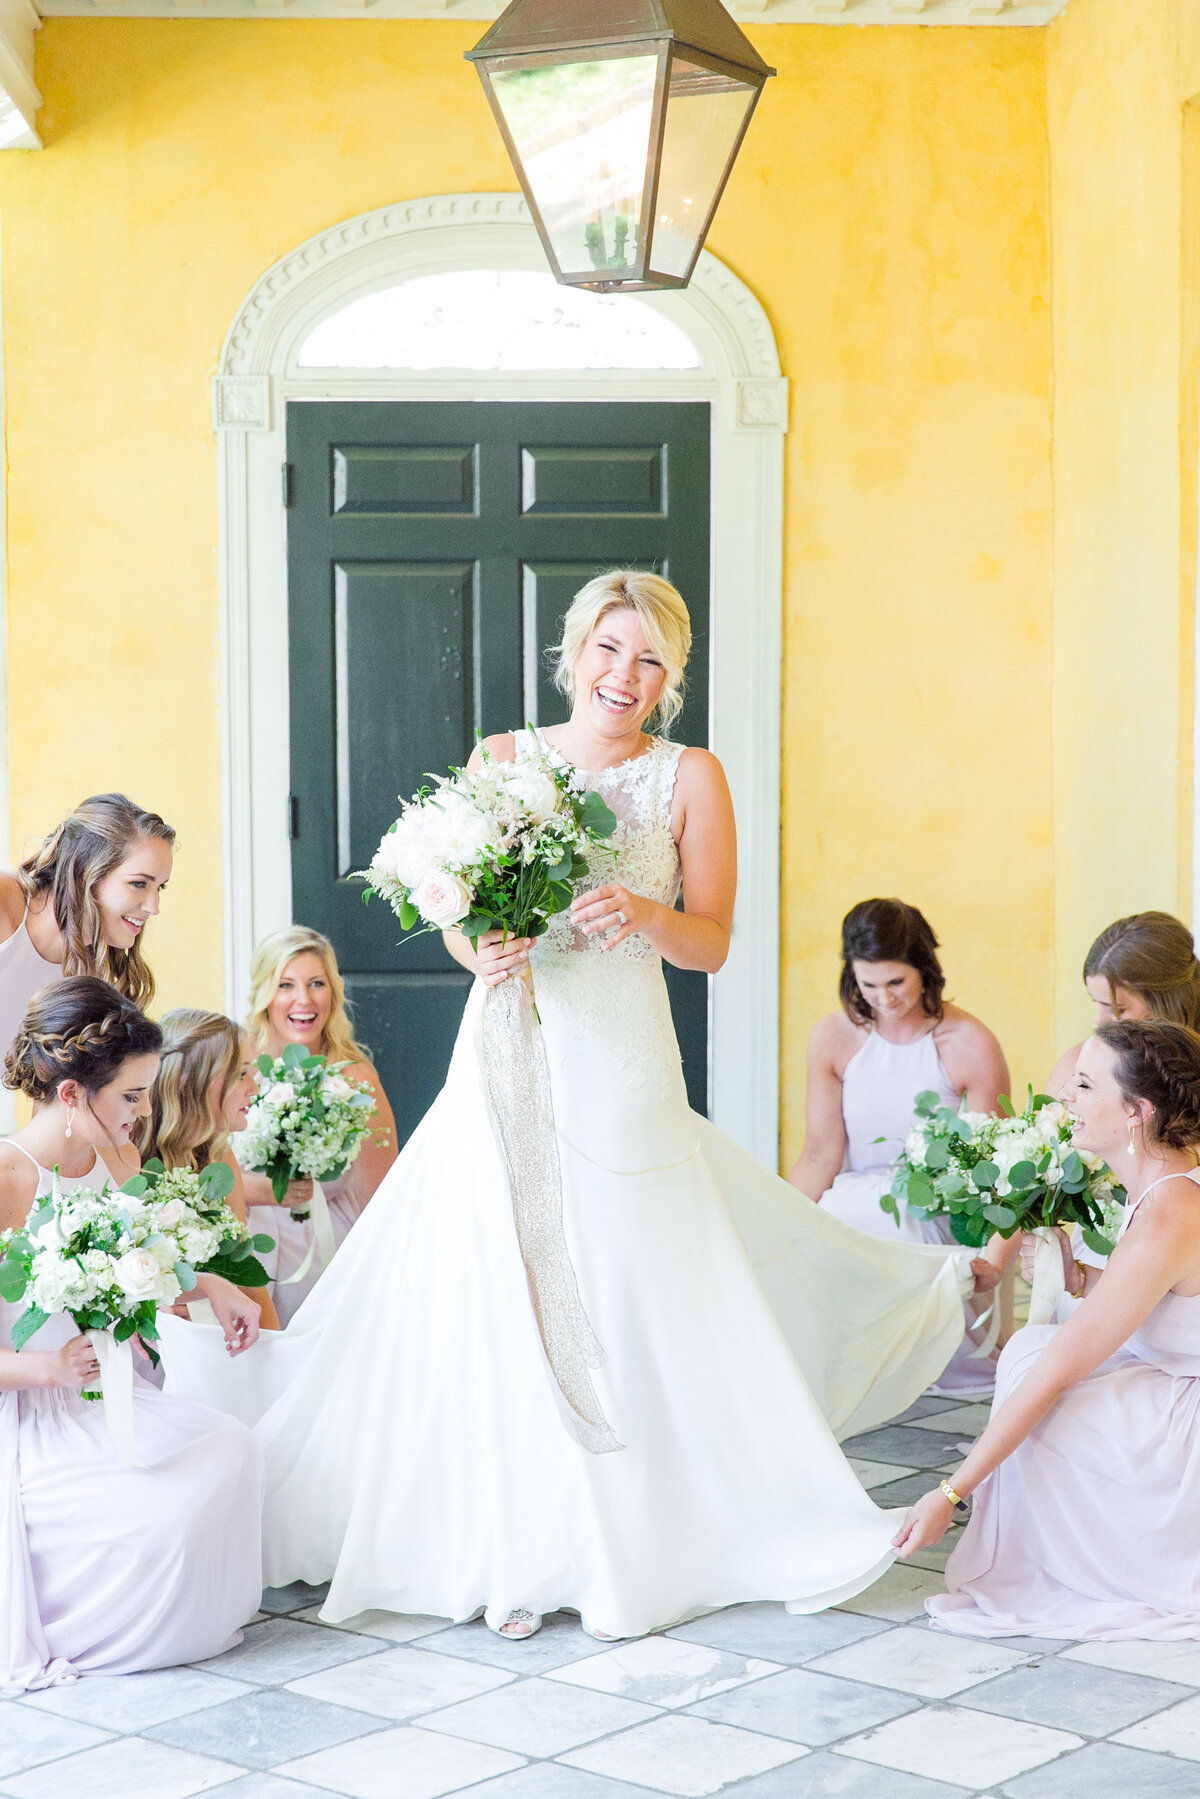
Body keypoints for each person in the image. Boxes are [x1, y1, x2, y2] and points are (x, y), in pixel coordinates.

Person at [159, 569, 973, 1643]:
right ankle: (505, 1525)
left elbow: (716, 941)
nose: (623, 675)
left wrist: (643, 908)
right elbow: (449, 902)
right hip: (510, 1030)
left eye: (649, 659)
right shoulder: (506, 759)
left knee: (628, 1257)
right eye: (608, 649)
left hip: (627, 1049)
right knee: (490, 1259)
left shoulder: (691, 776)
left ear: (670, 676)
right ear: (575, 649)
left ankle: (638, 1520)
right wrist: (474, 945)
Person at [896, 1018, 1200, 1640]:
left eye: (1086, 1085)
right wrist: (1085, 1277)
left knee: (1038, 1371)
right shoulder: (1166, 1184)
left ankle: (1099, 1560)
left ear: (1137, 1110)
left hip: (1188, 1427)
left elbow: (1063, 1364)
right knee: (1029, 1350)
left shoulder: (1170, 1209)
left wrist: (950, 1495)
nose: (1066, 1096)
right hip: (1176, 1382)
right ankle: (1065, 1541)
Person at [0, 977, 264, 1691]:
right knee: (162, 1513)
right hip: (29, 1412)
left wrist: (212, 1284)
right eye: (131, 1095)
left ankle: (188, 1615)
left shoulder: (118, 1155)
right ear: (71, 1095)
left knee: (233, 1449)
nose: (146, 1112)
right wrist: (50, 1366)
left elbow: (150, 1257)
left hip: (107, 1391)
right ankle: (92, 1621)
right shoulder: (8, 1177)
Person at [788, 899, 1009, 1390]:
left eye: (896, 983)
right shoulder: (833, 1037)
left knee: (906, 1217)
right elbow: (820, 1155)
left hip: (942, 1206)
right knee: (823, 1227)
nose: (883, 999)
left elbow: (989, 1173)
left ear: (925, 971)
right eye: (868, 985)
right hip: (857, 1191)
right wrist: (781, 1222)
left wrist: (994, 1258)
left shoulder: (969, 1042)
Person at [241, 926, 397, 1324]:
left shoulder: (355, 1078)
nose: (304, 1000)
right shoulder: (235, 1066)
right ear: (264, 994)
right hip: (248, 1248)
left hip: (328, 1255)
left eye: (316, 984)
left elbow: (378, 1200)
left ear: (333, 993)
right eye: (286, 985)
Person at [0, 793, 174, 1077]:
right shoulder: (4, 899)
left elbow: (55, 1099)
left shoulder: (97, 975)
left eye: (160, 888)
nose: (153, 907)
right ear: (84, 872)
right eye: (139, 884)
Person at [141, 1008, 281, 1331]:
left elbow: (244, 1273)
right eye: (241, 1073)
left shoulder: (219, 1157)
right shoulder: (129, 1156)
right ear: (192, 1081)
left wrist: (279, 1357)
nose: (254, 1089)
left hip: (204, 1335)